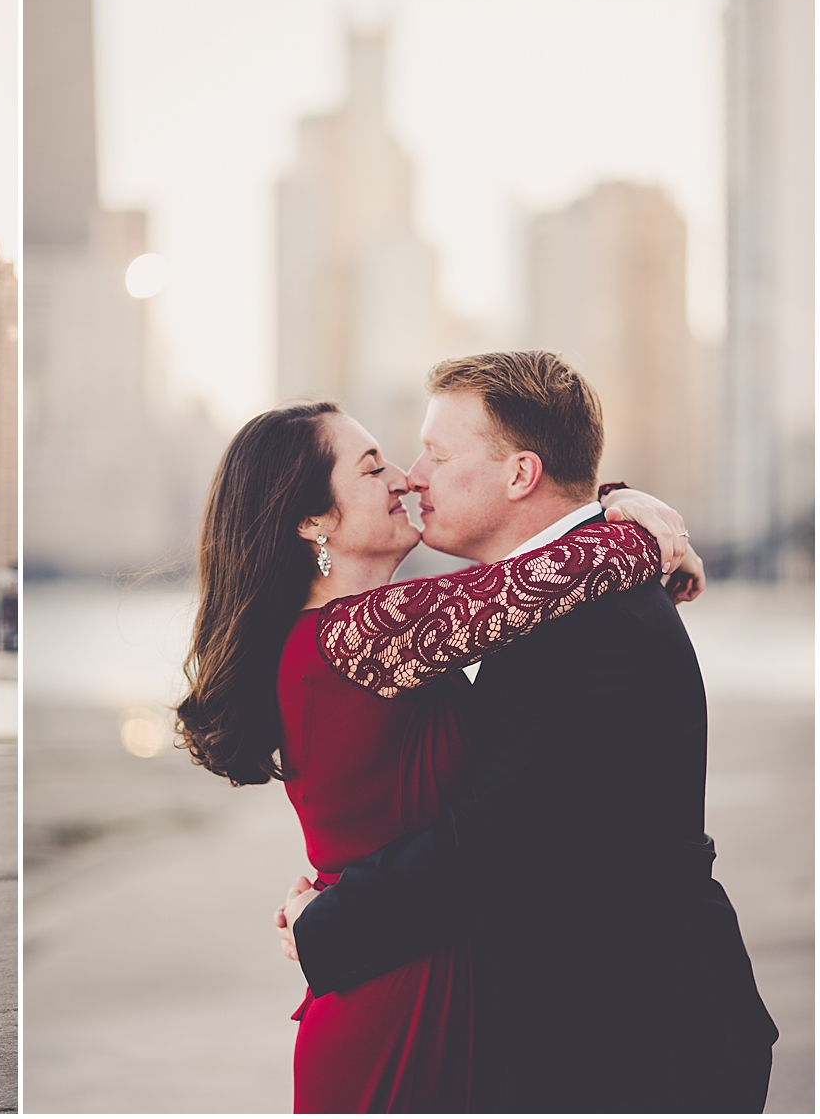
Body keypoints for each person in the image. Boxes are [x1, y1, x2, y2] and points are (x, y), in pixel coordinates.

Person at [277, 351, 777, 1112]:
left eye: (438, 455)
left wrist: (329, 920)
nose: (415, 475)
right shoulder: (549, 603)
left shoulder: (589, 626)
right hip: (591, 1031)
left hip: (635, 1042)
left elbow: (496, 835)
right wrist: (627, 514)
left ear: (519, 475)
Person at [176, 391, 694, 1112]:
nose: (404, 478)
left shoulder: (350, 635)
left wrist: (614, 498)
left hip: (411, 966)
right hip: (397, 1006)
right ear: (311, 519)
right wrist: (642, 519)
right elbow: (545, 574)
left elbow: (541, 565)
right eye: (371, 468)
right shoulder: (360, 632)